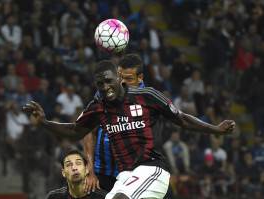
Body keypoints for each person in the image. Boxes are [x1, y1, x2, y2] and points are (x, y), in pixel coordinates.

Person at [24, 60, 235, 199]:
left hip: (153, 170)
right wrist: (44, 122)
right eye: (100, 84)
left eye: (108, 80)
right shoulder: (98, 107)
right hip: (125, 177)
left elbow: (181, 119)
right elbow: (75, 130)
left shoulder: (147, 96)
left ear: (118, 75)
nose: (105, 86)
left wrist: (215, 129)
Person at [83, 54, 144, 192]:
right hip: (102, 173)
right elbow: (88, 132)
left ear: (140, 78)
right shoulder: (101, 95)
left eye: (129, 78)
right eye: (121, 77)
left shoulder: (146, 97)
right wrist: (90, 172)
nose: (124, 82)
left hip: (133, 175)